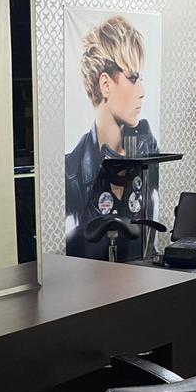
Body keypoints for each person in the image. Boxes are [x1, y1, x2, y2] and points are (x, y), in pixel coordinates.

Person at [65, 15, 159, 260]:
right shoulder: (71, 173)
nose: (142, 92)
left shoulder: (147, 150)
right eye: (133, 78)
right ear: (105, 84)